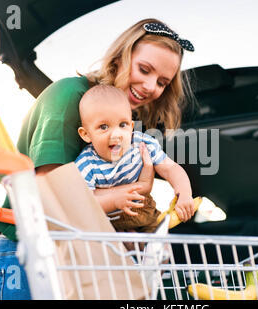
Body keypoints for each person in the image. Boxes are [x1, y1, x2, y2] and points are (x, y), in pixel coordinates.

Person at [0, 18, 195, 300]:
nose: (149, 86)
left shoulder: (125, 127)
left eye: (162, 82)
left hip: (77, 258)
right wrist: (126, 193)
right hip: (28, 257)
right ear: (120, 58)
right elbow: (52, 199)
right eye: (144, 69)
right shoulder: (69, 95)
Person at [75, 84, 194, 233]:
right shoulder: (86, 164)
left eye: (122, 124)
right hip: (108, 225)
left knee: (160, 249)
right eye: (104, 127)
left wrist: (184, 193)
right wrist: (114, 200)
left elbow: (170, 168)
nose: (116, 134)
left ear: (131, 126)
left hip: (143, 212)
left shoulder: (141, 144)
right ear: (86, 134)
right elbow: (83, 202)